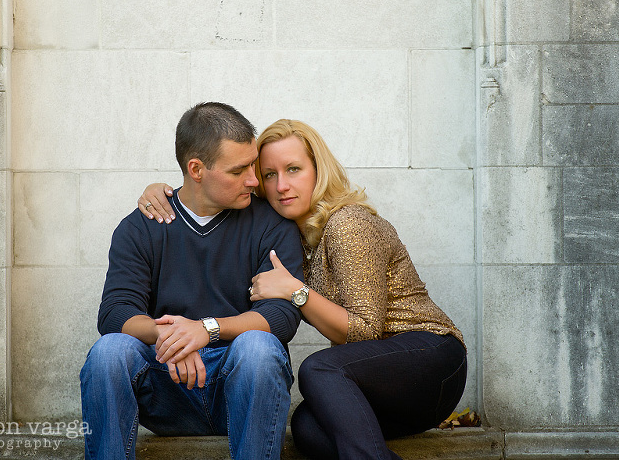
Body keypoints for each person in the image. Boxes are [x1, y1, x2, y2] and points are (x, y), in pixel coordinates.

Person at [139, 119, 467, 460]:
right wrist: (162, 193)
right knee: (308, 426)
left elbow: (366, 333)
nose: (282, 185)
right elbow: (204, 189)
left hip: (431, 359)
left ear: (318, 170)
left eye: (294, 169)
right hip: (382, 384)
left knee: (319, 369)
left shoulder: (347, 223)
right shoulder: (291, 235)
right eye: (269, 174)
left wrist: (297, 291)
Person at [80, 103, 305, 460]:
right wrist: (174, 337)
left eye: (252, 165)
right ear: (196, 169)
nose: (253, 179)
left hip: (240, 385)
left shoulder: (271, 225)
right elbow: (114, 313)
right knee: (108, 352)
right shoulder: (141, 227)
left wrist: (205, 330)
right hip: (167, 382)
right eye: (238, 170)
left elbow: (282, 317)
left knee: (259, 349)